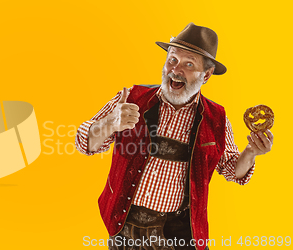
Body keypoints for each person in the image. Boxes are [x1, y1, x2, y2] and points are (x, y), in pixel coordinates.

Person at [75, 23, 273, 250]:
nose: (176, 70)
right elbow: (83, 143)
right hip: (125, 226)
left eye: (189, 64)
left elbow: (231, 169)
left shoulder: (216, 119)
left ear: (206, 75)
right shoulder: (130, 98)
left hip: (179, 233)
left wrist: (251, 152)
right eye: (172, 59)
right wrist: (110, 123)